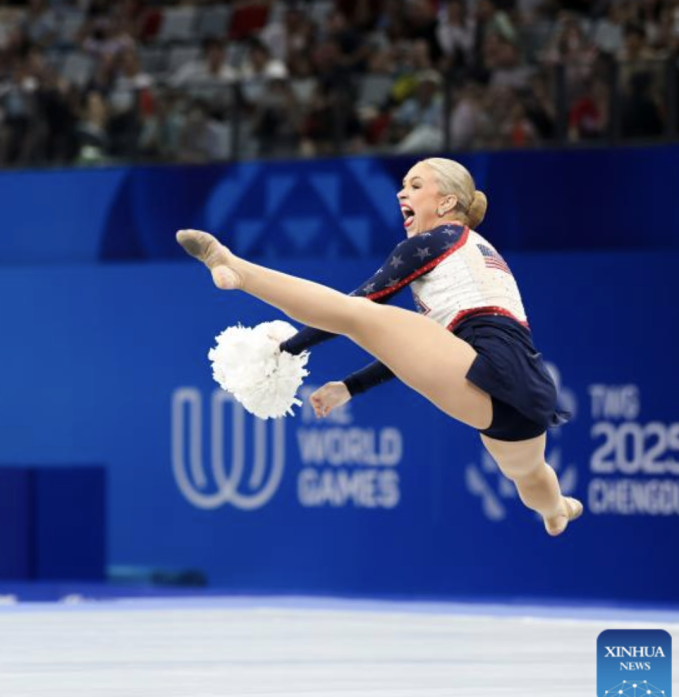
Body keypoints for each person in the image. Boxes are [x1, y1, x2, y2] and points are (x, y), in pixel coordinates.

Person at [177, 157, 582, 536]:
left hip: (487, 365)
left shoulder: (441, 238)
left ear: (447, 202)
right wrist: (349, 387)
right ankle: (556, 509)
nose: (401, 193)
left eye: (415, 185)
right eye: (403, 185)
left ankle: (236, 266)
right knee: (532, 478)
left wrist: (288, 348)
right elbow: (417, 350)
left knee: (356, 313)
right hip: (523, 384)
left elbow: (364, 305)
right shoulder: (475, 246)